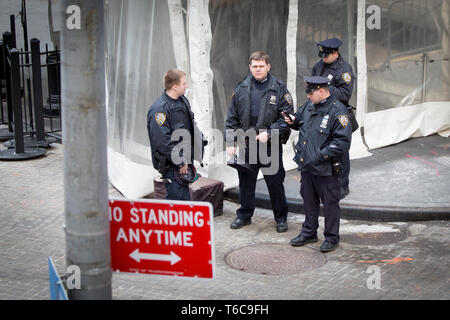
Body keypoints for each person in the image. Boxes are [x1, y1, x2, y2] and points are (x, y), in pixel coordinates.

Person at [225, 51, 294, 233]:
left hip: (269, 145)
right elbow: (232, 118)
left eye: (261, 66)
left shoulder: (279, 88)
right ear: (250, 67)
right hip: (246, 143)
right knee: (246, 182)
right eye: (254, 66)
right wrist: (230, 142)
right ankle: (244, 215)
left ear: (268, 67)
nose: (258, 69)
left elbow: (286, 119)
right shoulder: (241, 88)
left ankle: (280, 218)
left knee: (275, 183)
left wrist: (270, 133)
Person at [284, 76, 352, 252]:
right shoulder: (309, 105)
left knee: (330, 204)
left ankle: (331, 237)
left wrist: (320, 156)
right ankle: (309, 232)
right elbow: (299, 120)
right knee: (309, 201)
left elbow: (342, 142)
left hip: (326, 168)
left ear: (321, 91)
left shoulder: (339, 111)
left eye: (311, 93)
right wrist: (292, 121)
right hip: (307, 166)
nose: (308, 96)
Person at [147, 69, 205, 201]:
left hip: (184, 160)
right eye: (184, 83)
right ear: (175, 86)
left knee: (184, 199)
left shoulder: (182, 100)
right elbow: (163, 142)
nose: (187, 86)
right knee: (178, 202)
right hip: (173, 165)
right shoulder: (160, 110)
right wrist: (180, 162)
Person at [311, 38, 355, 199]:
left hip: (337, 114)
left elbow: (345, 94)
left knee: (340, 150)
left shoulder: (344, 70)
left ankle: (343, 184)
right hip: (320, 112)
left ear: (335, 53)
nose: (323, 58)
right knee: (322, 148)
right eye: (322, 55)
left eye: (326, 55)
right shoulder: (319, 66)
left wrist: (325, 88)